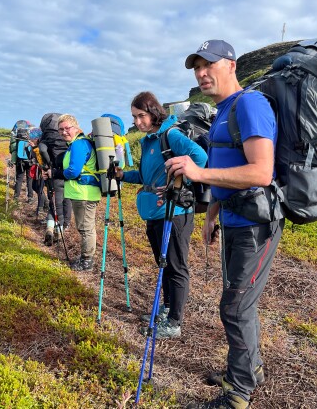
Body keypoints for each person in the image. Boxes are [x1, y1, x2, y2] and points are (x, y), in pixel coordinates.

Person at [166, 40, 285, 409]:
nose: (202, 73)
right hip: (233, 218)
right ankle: (250, 369)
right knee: (237, 304)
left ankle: (238, 393)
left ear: (231, 65)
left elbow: (261, 171)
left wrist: (199, 172)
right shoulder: (223, 111)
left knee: (235, 307)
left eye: (209, 65)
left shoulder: (249, 104)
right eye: (197, 67)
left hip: (255, 223)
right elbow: (228, 166)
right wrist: (212, 215)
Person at [115, 92, 208, 339]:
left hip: (175, 212)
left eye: (141, 116)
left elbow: (200, 157)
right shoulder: (149, 141)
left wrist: (177, 180)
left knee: (176, 267)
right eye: (134, 117)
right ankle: (166, 311)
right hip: (155, 213)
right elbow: (146, 178)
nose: (137, 122)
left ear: (154, 112)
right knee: (163, 264)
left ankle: (174, 322)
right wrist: (124, 176)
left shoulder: (171, 135)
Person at [43, 114, 101, 271]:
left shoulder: (79, 145)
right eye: (60, 129)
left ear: (76, 127)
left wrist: (55, 173)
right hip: (81, 193)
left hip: (85, 194)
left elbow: (73, 172)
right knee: (84, 227)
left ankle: (87, 261)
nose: (63, 132)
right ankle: (85, 258)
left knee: (86, 227)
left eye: (67, 128)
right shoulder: (75, 144)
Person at [37, 113, 72, 245]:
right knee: (66, 201)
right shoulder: (68, 139)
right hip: (67, 174)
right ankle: (61, 229)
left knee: (53, 202)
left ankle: (50, 228)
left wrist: (47, 165)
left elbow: (42, 149)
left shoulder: (46, 139)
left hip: (51, 174)